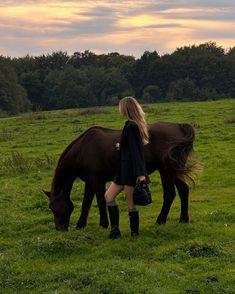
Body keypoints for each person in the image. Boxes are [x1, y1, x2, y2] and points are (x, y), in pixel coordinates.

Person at [104, 96, 149, 239]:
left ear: (126, 108)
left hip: (130, 171)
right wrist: (121, 146)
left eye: (121, 106)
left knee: (130, 203)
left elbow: (137, 152)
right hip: (123, 170)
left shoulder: (132, 126)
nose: (119, 109)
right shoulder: (130, 125)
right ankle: (115, 231)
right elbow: (132, 146)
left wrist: (140, 174)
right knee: (108, 196)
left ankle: (134, 234)